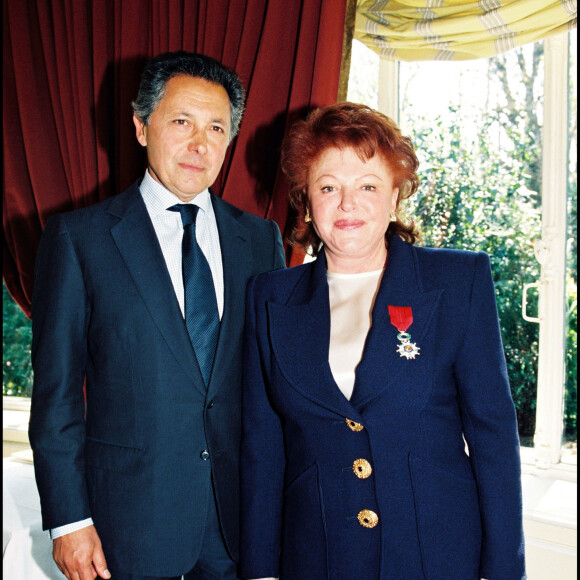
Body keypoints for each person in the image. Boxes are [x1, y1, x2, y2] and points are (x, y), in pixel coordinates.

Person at [239, 102, 526, 580]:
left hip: (437, 555)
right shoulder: (269, 297)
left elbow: (493, 438)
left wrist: (503, 572)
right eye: (328, 187)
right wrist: (262, 571)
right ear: (306, 202)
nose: (347, 204)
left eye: (368, 186)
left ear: (394, 197)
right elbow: (262, 448)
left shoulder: (457, 281)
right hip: (317, 556)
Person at [29, 51, 285, 580]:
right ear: (141, 127)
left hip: (241, 524)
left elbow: (275, 382)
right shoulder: (80, 240)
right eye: (181, 122)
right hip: (125, 527)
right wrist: (68, 521)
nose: (200, 143)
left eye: (216, 127)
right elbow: (55, 396)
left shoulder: (261, 241)